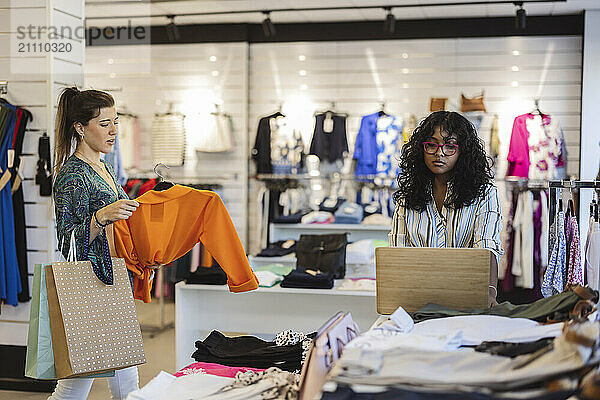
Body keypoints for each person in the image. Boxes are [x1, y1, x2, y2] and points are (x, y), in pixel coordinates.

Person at [50, 87, 151, 400]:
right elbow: (67, 244)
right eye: (104, 123)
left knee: (123, 375)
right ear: (81, 128)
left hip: (111, 280)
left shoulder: (105, 167)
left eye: (116, 121)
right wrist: (101, 216)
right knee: (75, 385)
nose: (114, 131)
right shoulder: (71, 174)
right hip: (89, 286)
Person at [390, 111, 503, 306]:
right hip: (417, 300)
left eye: (450, 146)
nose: (439, 153)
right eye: (432, 145)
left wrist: (490, 293)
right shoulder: (407, 197)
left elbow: (487, 248)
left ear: (463, 152)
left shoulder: (484, 194)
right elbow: (397, 253)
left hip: (466, 298)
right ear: (421, 149)